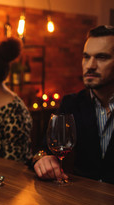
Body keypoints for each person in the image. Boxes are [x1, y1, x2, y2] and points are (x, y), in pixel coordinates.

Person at [33, 25, 114, 184]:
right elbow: (42, 149)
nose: (90, 65)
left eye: (102, 57)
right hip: (81, 200)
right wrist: (41, 160)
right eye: (86, 56)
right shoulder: (71, 103)